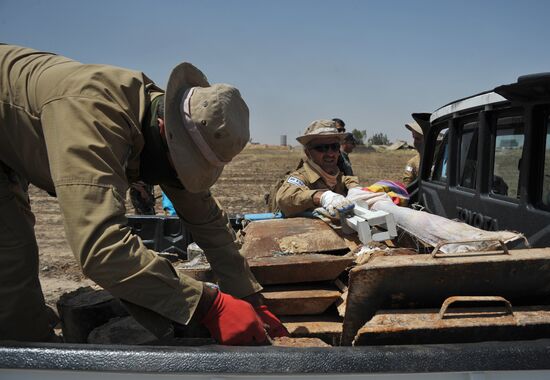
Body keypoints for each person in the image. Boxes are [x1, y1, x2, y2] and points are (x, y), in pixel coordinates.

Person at [0, 44, 287, 344]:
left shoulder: (173, 125)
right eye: (184, 165)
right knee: (12, 260)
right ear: (165, 128)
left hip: (18, 129)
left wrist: (248, 295)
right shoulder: (94, 119)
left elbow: (207, 219)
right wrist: (209, 305)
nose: (181, 176)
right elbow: (102, 250)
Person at [276, 120, 359, 217]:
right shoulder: (301, 177)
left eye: (334, 147)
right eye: (322, 148)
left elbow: (346, 180)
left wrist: (355, 189)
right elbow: (284, 198)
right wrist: (321, 197)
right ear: (308, 153)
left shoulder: (335, 175)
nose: (330, 154)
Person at [402, 121, 424, 185]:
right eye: (414, 138)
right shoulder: (412, 163)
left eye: (417, 138)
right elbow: (407, 184)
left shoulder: (444, 157)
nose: (414, 143)